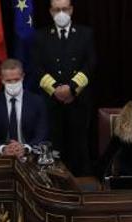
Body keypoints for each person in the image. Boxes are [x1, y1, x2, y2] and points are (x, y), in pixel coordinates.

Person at [32, 0, 96, 175]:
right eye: (57, 9)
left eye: (65, 9)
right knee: (56, 147)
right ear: (51, 11)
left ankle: (82, 188)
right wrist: (55, 90)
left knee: (79, 147)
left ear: (72, 10)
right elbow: (36, 67)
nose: (61, 13)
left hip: (78, 101)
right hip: (52, 102)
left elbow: (90, 64)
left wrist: (72, 88)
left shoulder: (85, 33)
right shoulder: (40, 36)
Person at [0, 59, 49, 157]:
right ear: (1, 79)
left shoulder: (37, 101)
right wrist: (3, 149)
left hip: (30, 155)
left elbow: (42, 133)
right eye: (8, 80)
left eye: (16, 79)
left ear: (23, 77)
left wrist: (26, 148)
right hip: (3, 157)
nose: (13, 83)